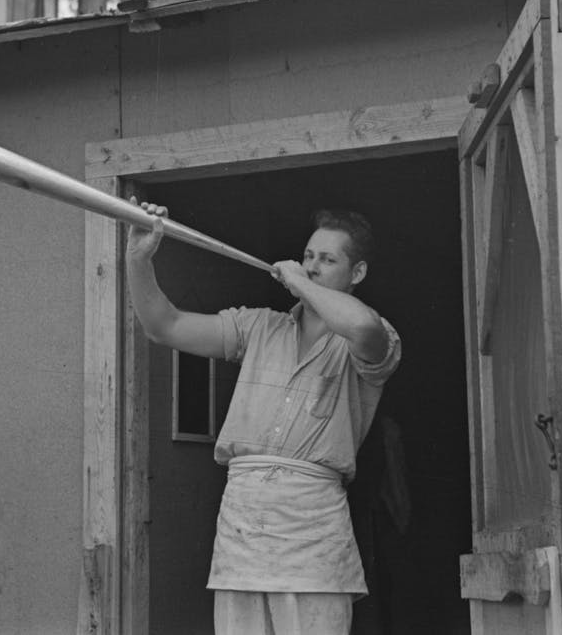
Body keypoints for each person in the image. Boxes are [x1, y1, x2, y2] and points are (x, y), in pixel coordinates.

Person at [126, 198, 402, 635]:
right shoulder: (258, 326)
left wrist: (297, 281)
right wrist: (139, 260)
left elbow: (363, 328)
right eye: (307, 256)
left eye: (327, 260)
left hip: (314, 528)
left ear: (358, 273)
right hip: (243, 524)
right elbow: (164, 326)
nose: (311, 267)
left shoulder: (373, 335)